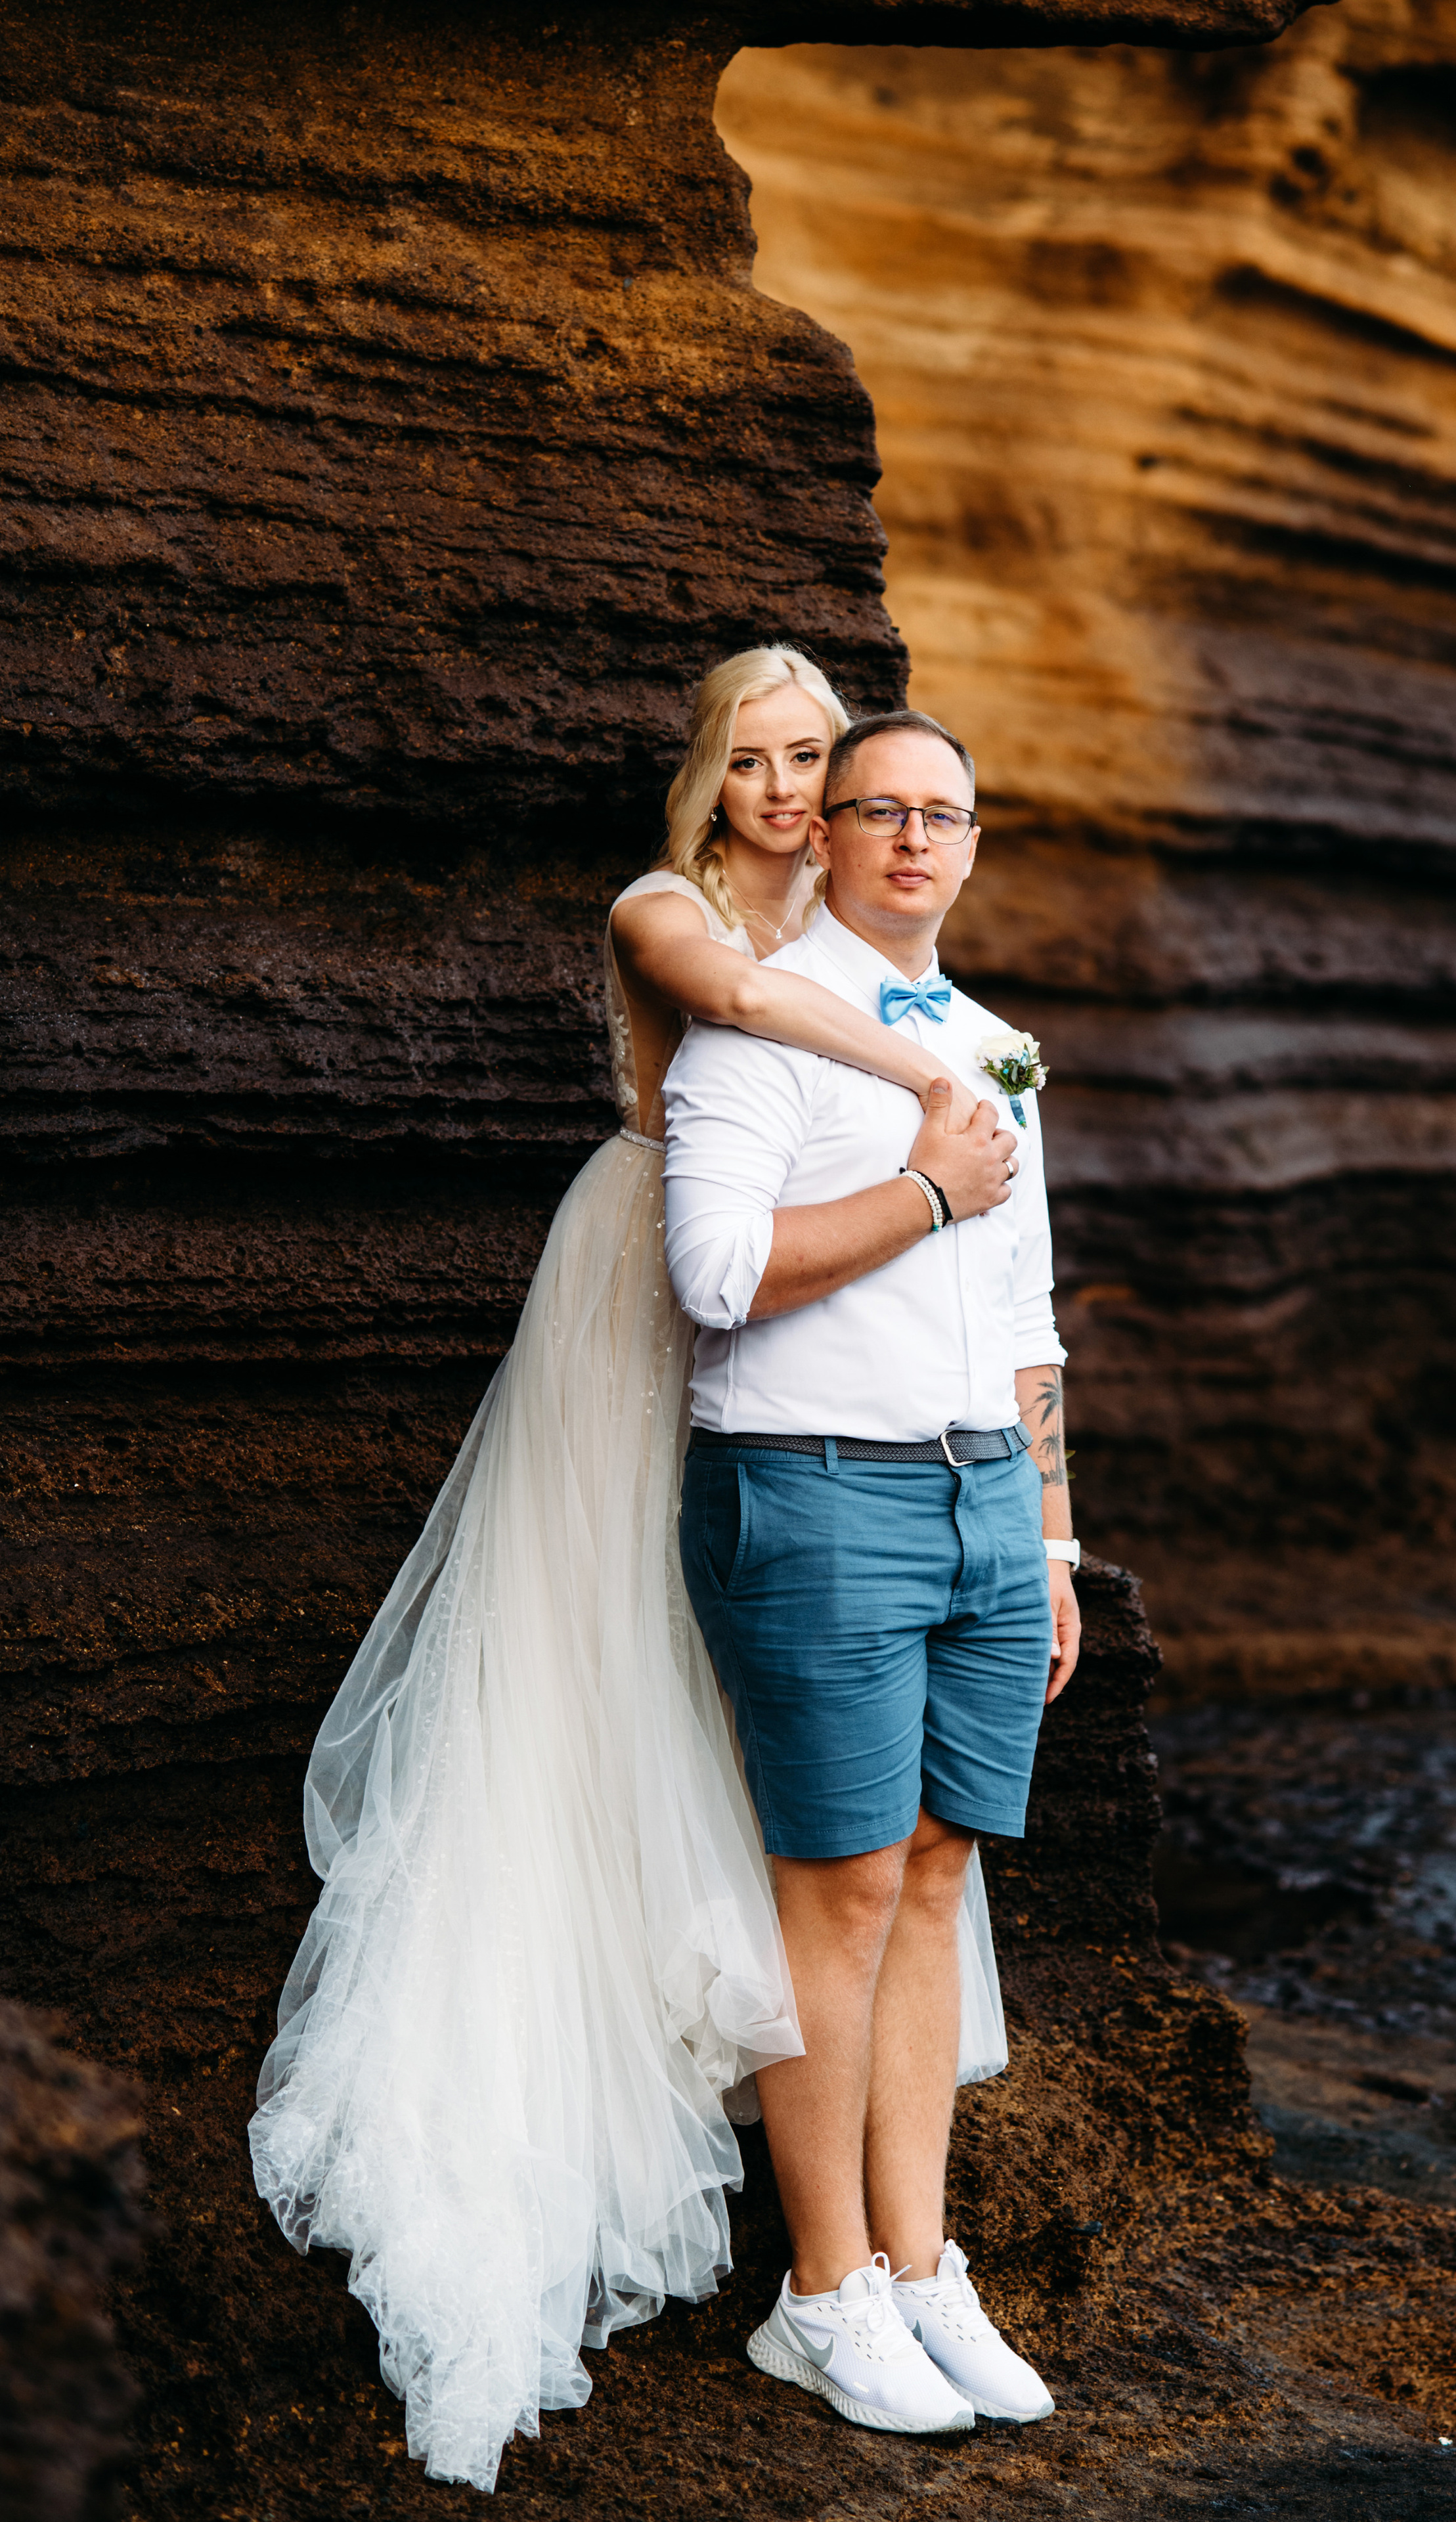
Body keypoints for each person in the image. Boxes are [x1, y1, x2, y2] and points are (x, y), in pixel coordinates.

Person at [247, 648, 1010, 2494]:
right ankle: (774, 2199)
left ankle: (897, 2244)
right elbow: (747, 1008)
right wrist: (934, 1071)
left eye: (809, 758)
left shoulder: (865, 915)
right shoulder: (675, 914)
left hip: (871, 1377)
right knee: (619, 1636)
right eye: (751, 761)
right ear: (710, 780)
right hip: (649, 1292)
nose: (780, 787)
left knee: (815, 1740)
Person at [663, 706, 1082, 2438]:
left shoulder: (1000, 1047)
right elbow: (714, 1275)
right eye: (876, 808)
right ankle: (819, 2293)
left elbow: (1029, 1320)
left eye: (945, 814)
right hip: (815, 1493)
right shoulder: (750, 1030)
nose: (913, 838)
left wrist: (1054, 1536)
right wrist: (921, 1185)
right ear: (816, 834)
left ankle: (920, 2268)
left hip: (990, 1501)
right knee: (834, 1887)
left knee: (935, 1868)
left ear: (976, 846)